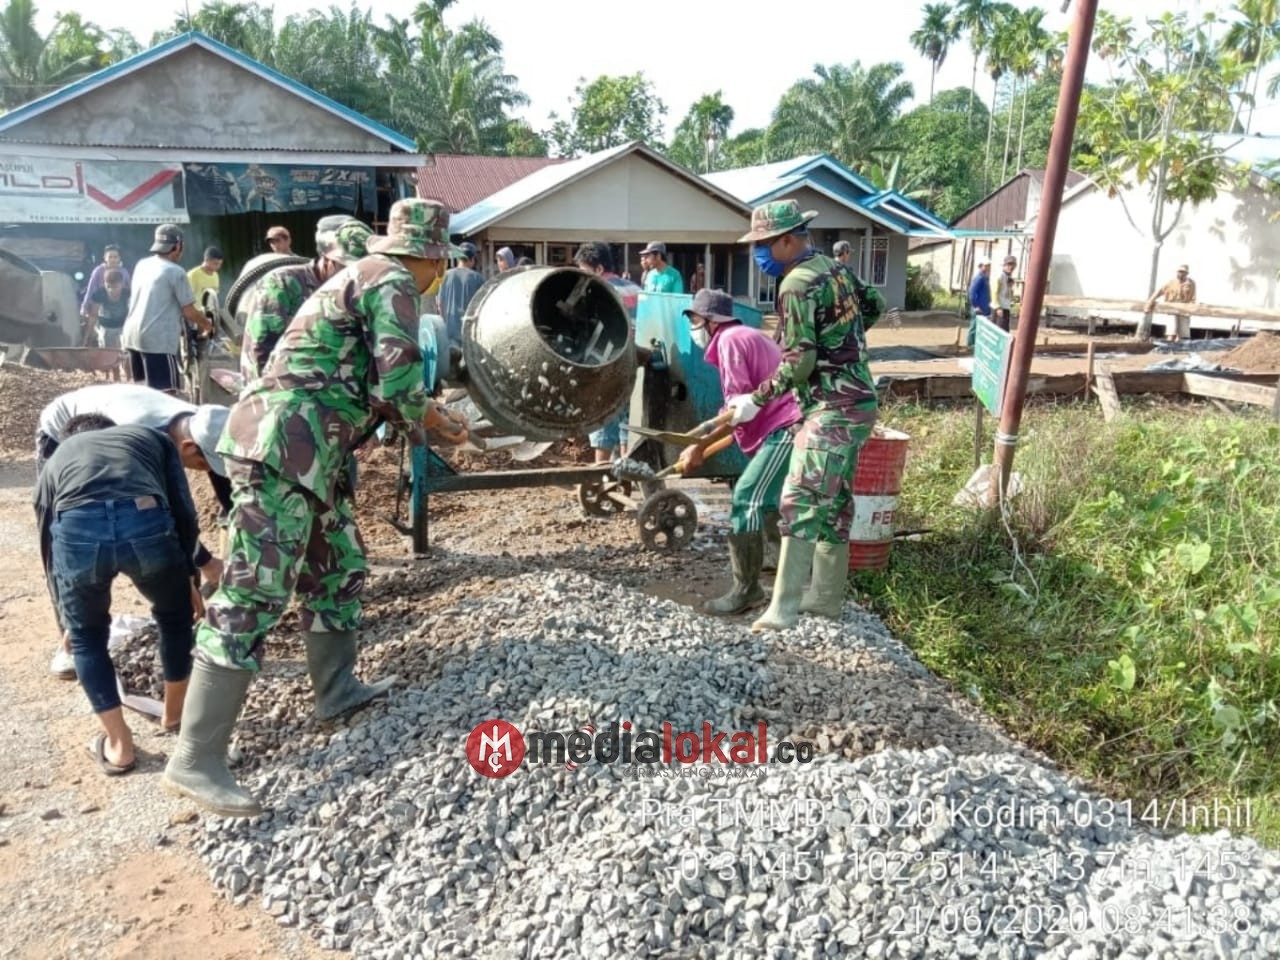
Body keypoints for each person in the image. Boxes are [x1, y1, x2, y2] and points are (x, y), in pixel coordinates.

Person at [162, 199, 466, 818]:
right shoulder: (393, 280)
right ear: (432, 256)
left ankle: (336, 688)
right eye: (442, 264)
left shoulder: (365, 278)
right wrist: (438, 421)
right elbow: (400, 382)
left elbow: (367, 385)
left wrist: (416, 419)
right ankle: (194, 758)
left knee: (337, 565)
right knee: (255, 592)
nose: (438, 277)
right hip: (283, 449)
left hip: (313, 456)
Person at [727, 199, 883, 633]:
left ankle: (783, 608)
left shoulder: (795, 284)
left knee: (798, 498)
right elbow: (872, 303)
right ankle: (826, 599)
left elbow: (797, 362)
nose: (757, 254)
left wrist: (758, 398)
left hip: (832, 409)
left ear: (787, 240)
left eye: (761, 245)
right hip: (859, 403)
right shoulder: (835, 269)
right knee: (834, 501)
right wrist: (843, 344)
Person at [35, 414, 203, 774]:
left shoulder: (56, 460)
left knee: (87, 638)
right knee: (175, 618)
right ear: (113, 429)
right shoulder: (147, 438)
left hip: (78, 529)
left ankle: (119, 746)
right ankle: (175, 716)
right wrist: (189, 575)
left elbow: (47, 542)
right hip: (145, 518)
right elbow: (181, 507)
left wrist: (67, 618)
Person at [36, 384, 231, 678]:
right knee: (66, 537)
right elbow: (170, 515)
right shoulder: (139, 436)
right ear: (188, 447)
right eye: (202, 464)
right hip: (62, 432)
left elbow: (219, 491)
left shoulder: (205, 424)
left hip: (109, 420)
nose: (203, 471)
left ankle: (185, 629)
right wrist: (206, 563)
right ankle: (75, 640)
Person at [679, 289, 802, 615]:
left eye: (694, 320)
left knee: (747, 498)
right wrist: (703, 447)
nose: (693, 327)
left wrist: (699, 445)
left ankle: (747, 591)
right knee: (771, 501)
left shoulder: (730, 340)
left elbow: (738, 412)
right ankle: (788, 573)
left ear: (709, 321)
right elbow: (738, 412)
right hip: (786, 425)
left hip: (784, 429)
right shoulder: (745, 335)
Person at [239, 217, 373, 383]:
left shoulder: (357, 292)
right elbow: (260, 350)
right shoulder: (283, 284)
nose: (353, 274)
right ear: (326, 259)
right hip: (286, 395)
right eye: (346, 266)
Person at [120, 224, 215, 393]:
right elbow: (189, 311)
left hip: (132, 336)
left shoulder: (142, 264)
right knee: (166, 394)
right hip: (157, 342)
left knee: (144, 391)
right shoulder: (176, 272)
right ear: (178, 245)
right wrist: (207, 325)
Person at [573, 242, 643, 464]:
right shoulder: (636, 290)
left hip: (609, 365)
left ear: (599, 269)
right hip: (636, 362)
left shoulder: (596, 292)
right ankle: (626, 477)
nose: (583, 277)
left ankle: (600, 476)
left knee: (602, 422)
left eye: (585, 271)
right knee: (627, 425)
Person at [437, 240, 485, 346]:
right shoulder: (477, 278)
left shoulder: (445, 276)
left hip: (448, 333)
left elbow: (440, 305)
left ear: (458, 258)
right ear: (472, 259)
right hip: (470, 334)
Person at [82, 267, 130, 356]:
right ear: (104, 284)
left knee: (123, 353)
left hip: (123, 327)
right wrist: (87, 336)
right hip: (105, 328)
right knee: (107, 354)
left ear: (122, 284)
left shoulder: (127, 294)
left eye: (115, 287)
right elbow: (93, 316)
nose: (111, 290)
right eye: (108, 287)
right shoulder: (99, 293)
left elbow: (132, 315)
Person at [1145, 263, 1197, 340]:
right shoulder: (1170, 282)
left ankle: (1180, 348)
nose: (1181, 273)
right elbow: (1159, 292)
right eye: (1179, 271)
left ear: (1187, 273)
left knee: (1183, 333)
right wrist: (1150, 302)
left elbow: (1193, 297)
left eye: (1183, 272)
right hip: (1171, 307)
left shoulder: (1191, 283)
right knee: (1171, 331)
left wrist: (1192, 307)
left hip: (1184, 309)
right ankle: (1169, 348)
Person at [80, 244, 131, 317]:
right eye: (110, 257)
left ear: (119, 258)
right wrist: (84, 306)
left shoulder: (124, 272)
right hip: (100, 303)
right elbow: (90, 289)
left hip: (120, 305)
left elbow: (129, 289)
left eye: (115, 257)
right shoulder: (98, 270)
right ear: (105, 258)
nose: (113, 259)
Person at [187, 246, 224, 312]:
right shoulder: (192, 275)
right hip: (195, 316)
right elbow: (185, 300)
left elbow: (214, 297)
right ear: (207, 260)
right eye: (216, 264)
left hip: (210, 315)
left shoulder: (216, 275)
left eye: (220, 264)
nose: (218, 267)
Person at [966, 258, 992, 347]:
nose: (988, 267)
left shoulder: (985, 278)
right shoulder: (979, 278)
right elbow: (972, 292)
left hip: (984, 307)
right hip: (978, 308)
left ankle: (976, 344)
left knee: (980, 327)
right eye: (985, 266)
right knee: (974, 326)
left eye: (988, 266)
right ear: (980, 266)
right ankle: (970, 345)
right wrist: (975, 305)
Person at [994, 255, 1017, 332]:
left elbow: (1007, 294)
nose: (1011, 267)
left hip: (1006, 308)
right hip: (1000, 308)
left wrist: (1010, 288)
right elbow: (994, 292)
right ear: (1004, 265)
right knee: (999, 331)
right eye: (1009, 264)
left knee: (1005, 331)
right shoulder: (1000, 276)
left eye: (1013, 265)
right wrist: (998, 307)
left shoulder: (1008, 277)